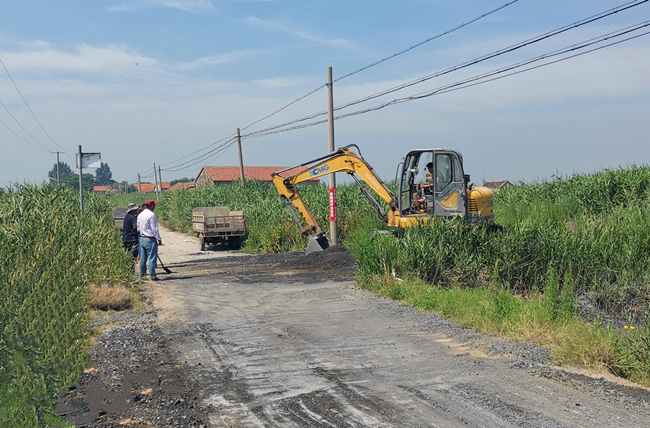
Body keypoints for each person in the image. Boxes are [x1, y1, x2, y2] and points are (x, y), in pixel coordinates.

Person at [137, 199, 162, 281]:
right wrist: (158, 239)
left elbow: (138, 228)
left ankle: (142, 275)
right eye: (154, 206)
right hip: (150, 239)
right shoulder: (151, 215)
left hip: (142, 238)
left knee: (143, 259)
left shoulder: (140, 215)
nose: (154, 208)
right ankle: (152, 276)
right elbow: (155, 229)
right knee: (152, 258)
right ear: (151, 206)